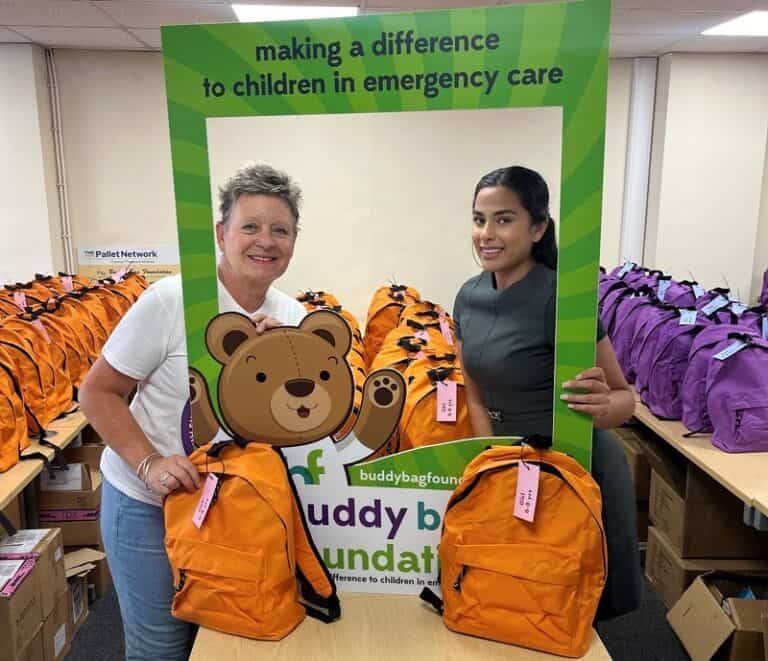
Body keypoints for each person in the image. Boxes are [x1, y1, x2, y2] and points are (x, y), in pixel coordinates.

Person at [78, 164, 308, 660]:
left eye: (280, 230)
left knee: (228, 636)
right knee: (162, 648)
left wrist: (279, 362)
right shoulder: (171, 301)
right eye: (250, 226)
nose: (264, 241)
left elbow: (299, 425)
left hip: (231, 508)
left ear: (293, 241)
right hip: (148, 506)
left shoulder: (294, 318)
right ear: (223, 235)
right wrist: (150, 463)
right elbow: (96, 394)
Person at [453, 165, 642, 620]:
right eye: (479, 220)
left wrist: (601, 407)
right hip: (509, 468)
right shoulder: (466, 296)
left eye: (504, 219)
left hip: (574, 469)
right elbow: (475, 397)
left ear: (538, 227)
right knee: (514, 598)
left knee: (574, 605)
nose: (486, 234)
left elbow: (625, 399)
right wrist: (489, 463)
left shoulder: (564, 298)